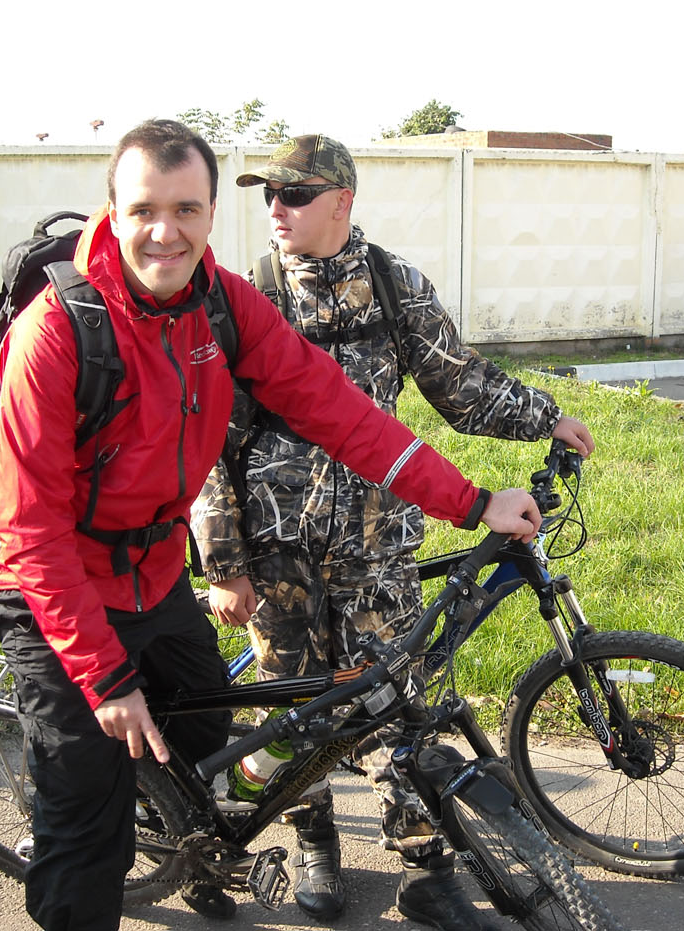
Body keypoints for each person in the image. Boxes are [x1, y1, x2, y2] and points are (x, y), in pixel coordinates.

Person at [0, 119, 546, 931]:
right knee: (85, 822)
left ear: (210, 212)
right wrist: (105, 679)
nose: (164, 231)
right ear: (113, 210)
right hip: (49, 587)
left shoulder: (222, 306)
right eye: (143, 210)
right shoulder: (57, 332)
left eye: (185, 209)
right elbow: (33, 529)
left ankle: (189, 851)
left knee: (206, 737)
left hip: (150, 575)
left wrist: (470, 500)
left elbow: (343, 414)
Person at [192, 134, 595, 929]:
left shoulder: (393, 284)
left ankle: (421, 859)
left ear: (341, 200)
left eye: (294, 193)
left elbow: (459, 381)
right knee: (298, 705)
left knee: (396, 698)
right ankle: (314, 839)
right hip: (278, 550)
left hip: (376, 540)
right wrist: (224, 560)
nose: (276, 208)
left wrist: (544, 417)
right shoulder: (246, 298)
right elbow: (206, 443)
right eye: (268, 194)